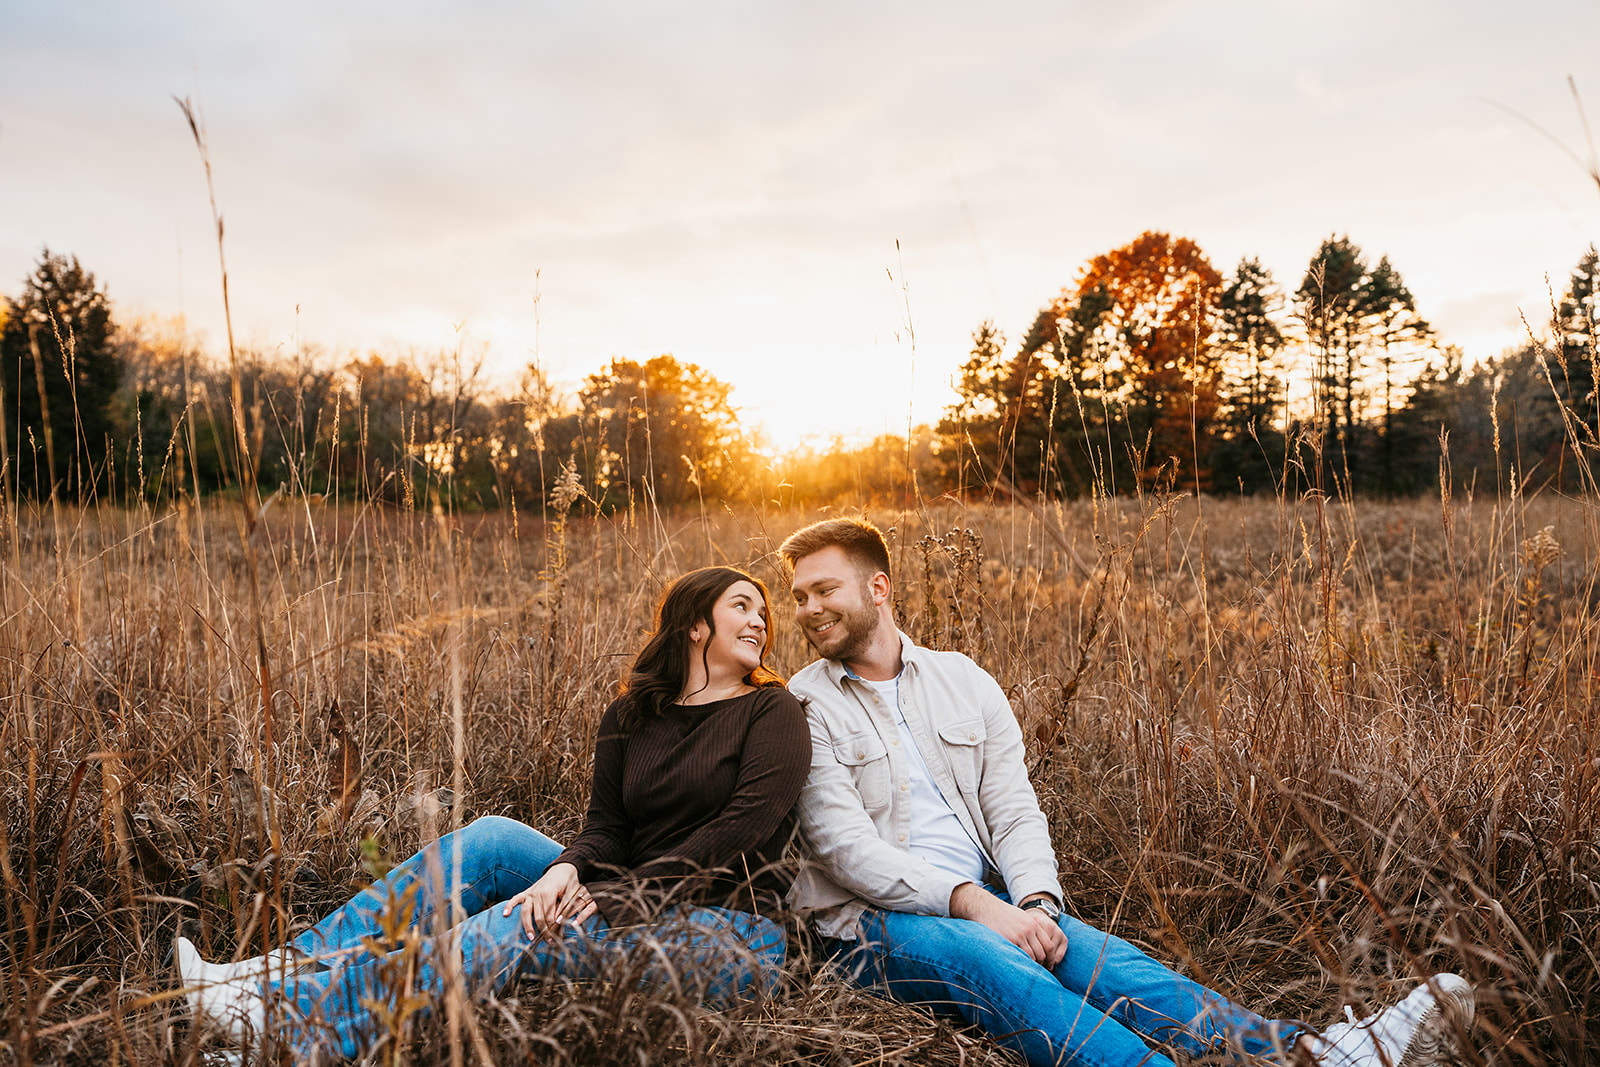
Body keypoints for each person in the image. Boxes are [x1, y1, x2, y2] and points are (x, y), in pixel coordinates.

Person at [779, 517, 1475, 1067]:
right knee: (988, 957)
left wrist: (1035, 901)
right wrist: (980, 908)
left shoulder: (965, 678)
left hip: (990, 897)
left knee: (1107, 961)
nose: (808, 609)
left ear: (878, 588)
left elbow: (1013, 807)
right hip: (867, 928)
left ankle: (1320, 1053)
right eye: (800, 595)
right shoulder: (801, 706)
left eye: (824, 589)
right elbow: (846, 852)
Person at [175, 566, 811, 1060]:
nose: (761, 621)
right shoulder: (632, 716)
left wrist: (612, 897)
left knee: (520, 921)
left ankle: (285, 1030)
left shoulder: (772, 711)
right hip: (625, 893)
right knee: (495, 840)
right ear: (695, 623)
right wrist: (571, 868)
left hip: (731, 933)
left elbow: (742, 831)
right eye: (742, 605)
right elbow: (609, 826)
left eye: (764, 612)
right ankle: (274, 973)